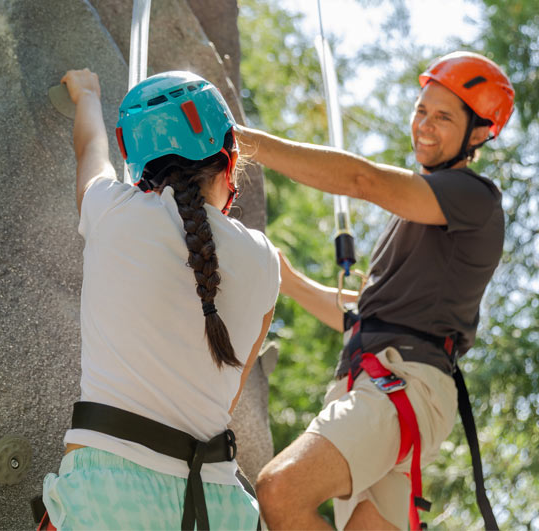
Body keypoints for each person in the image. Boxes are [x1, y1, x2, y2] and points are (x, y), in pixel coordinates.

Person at [236, 51, 514, 530]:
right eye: (421, 110)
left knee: (281, 490)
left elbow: (361, 179)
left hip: (401, 381)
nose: (424, 125)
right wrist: (290, 279)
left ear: (479, 132)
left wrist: (243, 143)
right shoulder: (414, 217)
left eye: (443, 117)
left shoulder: (475, 198)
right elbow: (359, 317)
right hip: (376, 377)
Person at [40, 68, 279, 530]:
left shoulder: (110, 210)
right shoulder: (265, 261)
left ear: (141, 172)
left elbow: (90, 151)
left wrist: (87, 93)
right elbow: (227, 394)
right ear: (229, 164)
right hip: (219, 508)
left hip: (107, 499)